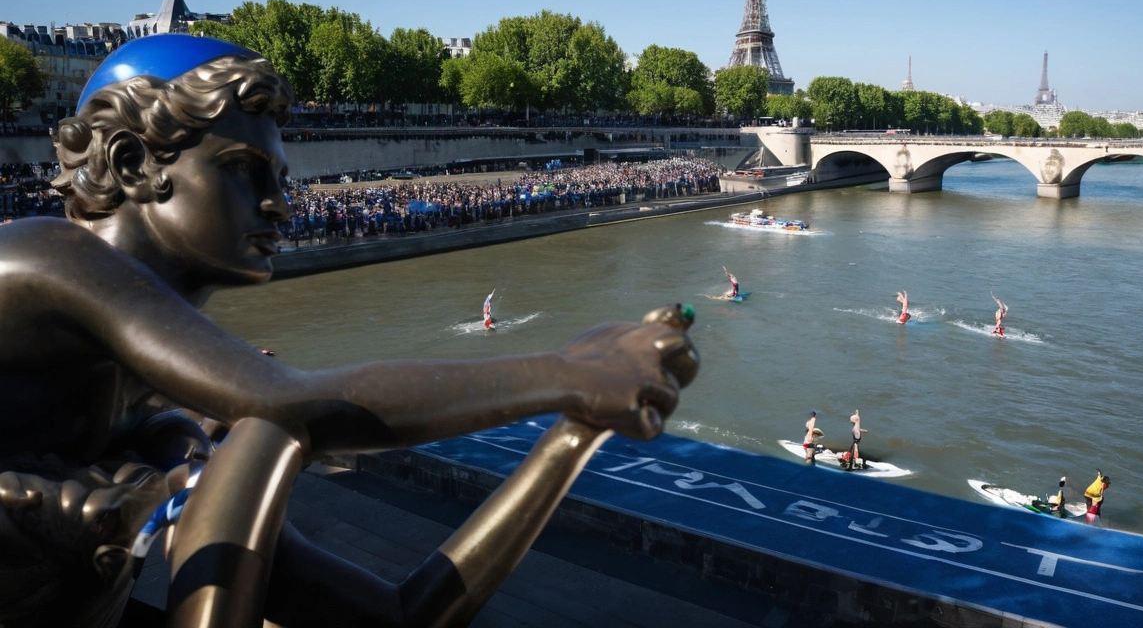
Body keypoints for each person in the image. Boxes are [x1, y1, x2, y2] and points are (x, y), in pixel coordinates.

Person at [0, 34, 699, 626]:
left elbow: (402, 614)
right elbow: (283, 401)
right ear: (129, 164)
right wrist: (571, 370)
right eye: (245, 172)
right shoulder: (41, 255)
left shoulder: (150, 424)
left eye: (281, 177)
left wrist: (575, 430)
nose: (282, 205)